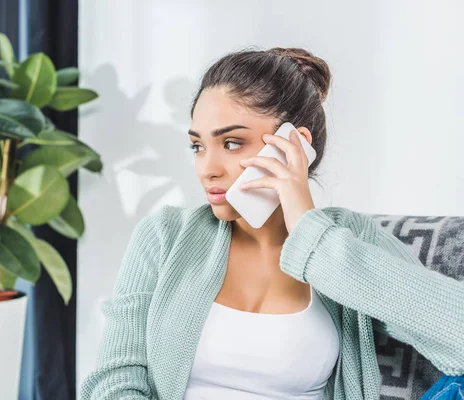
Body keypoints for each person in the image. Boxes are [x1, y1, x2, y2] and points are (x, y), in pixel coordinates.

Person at [80, 47, 464, 400]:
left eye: (231, 143)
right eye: (198, 146)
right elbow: (116, 377)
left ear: (293, 145)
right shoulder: (165, 236)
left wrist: (313, 237)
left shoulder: (346, 241)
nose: (207, 170)